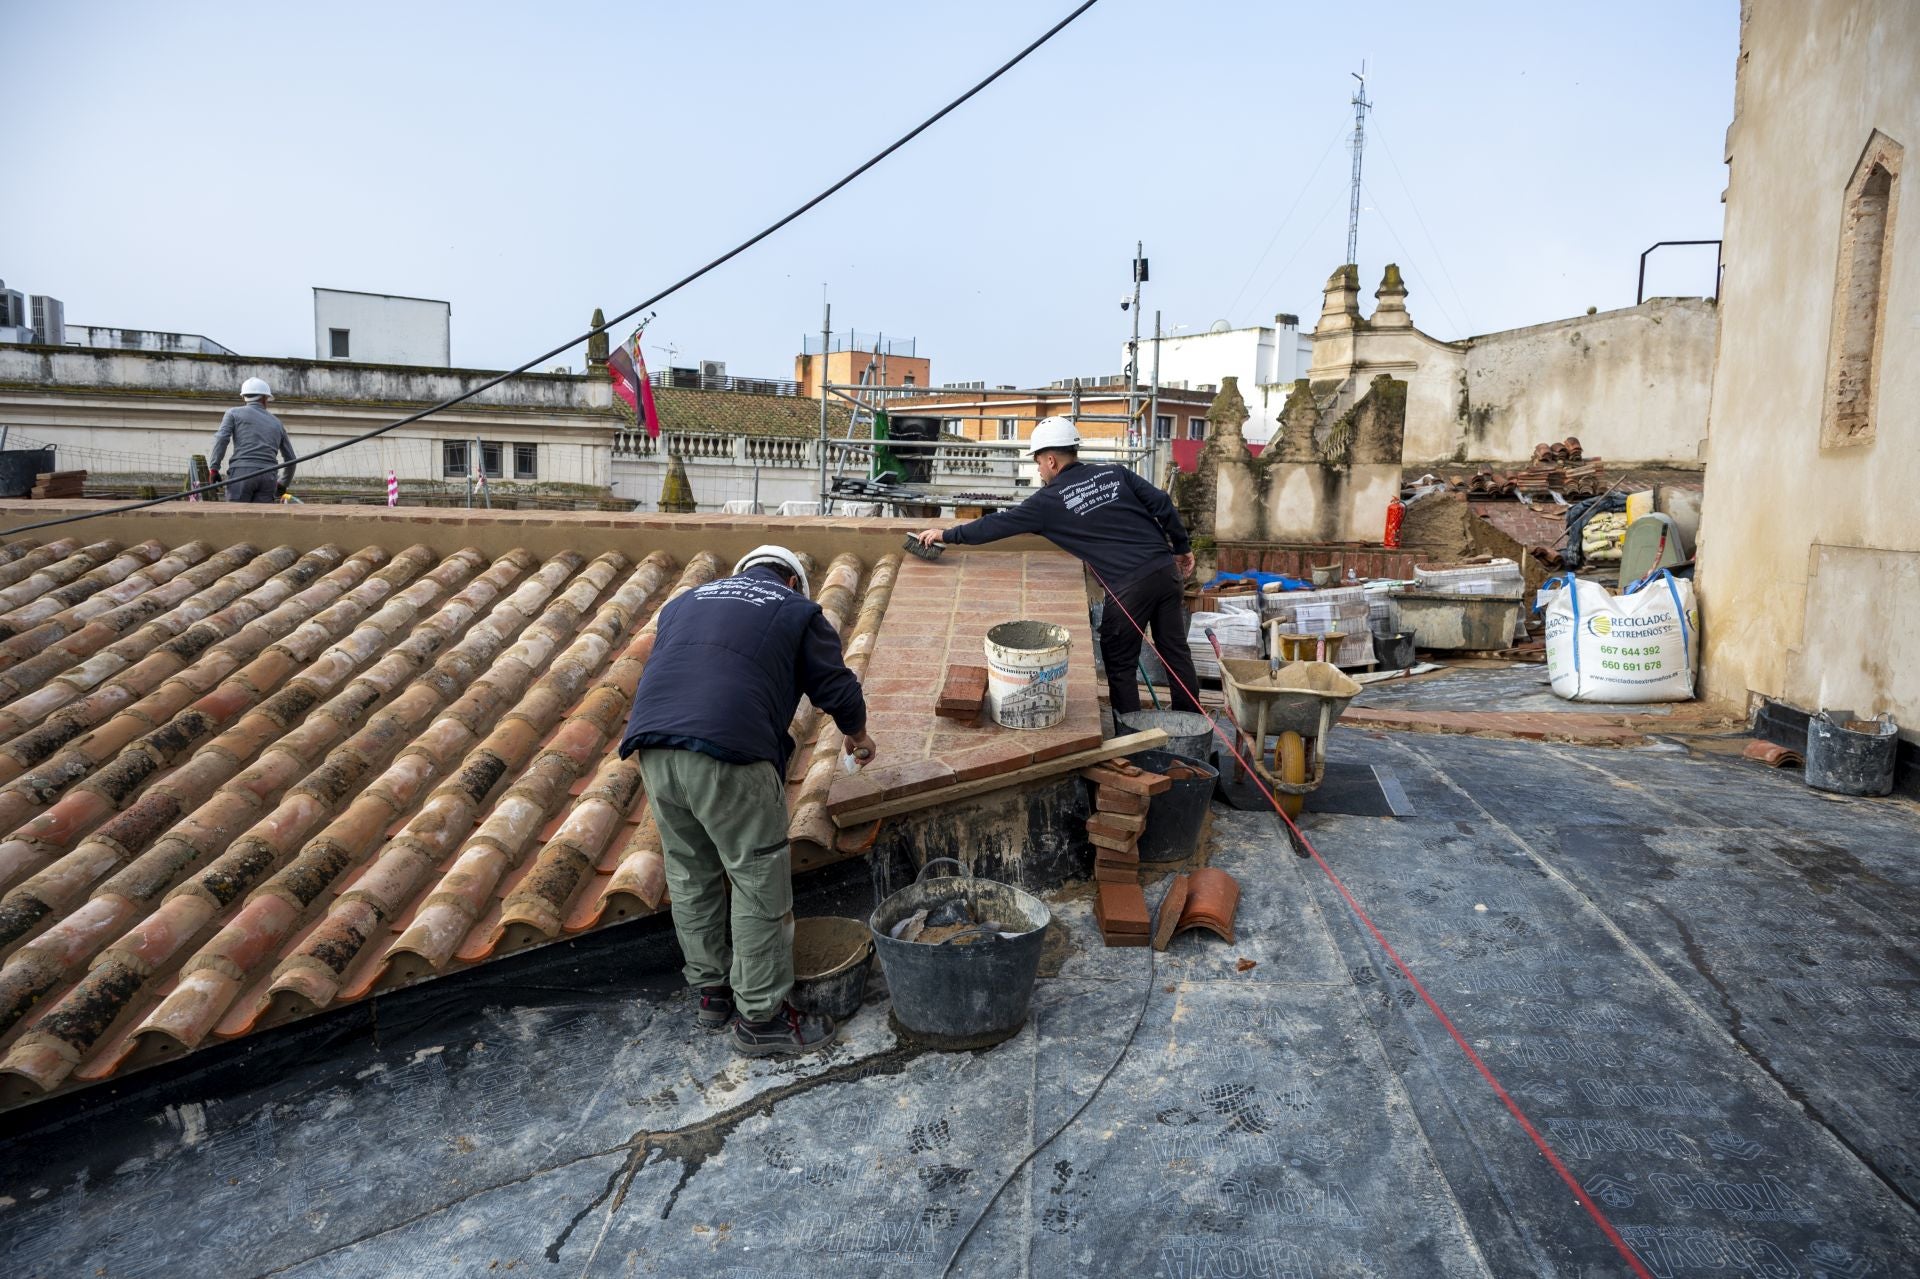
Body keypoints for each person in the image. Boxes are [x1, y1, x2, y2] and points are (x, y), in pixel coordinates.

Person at [619, 545, 877, 1057]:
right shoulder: (796, 609)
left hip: (653, 748)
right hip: (729, 750)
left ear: (742, 573)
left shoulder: (683, 603)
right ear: (792, 581)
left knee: (689, 872)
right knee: (757, 878)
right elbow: (835, 685)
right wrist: (858, 734)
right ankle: (762, 1017)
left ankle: (712, 992)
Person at [916, 417, 1202, 715]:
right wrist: (1181, 548)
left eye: (1038, 462)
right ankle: (1192, 724)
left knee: (1120, 664)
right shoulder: (1116, 473)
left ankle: (1133, 734)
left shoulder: (1047, 503)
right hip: (1165, 570)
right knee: (1175, 653)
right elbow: (1162, 503)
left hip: (1129, 588)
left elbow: (996, 524)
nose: (1039, 469)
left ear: (1051, 460)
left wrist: (947, 535)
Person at [210, 377, 297, 504]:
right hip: (268, 477)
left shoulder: (233, 413)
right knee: (262, 516)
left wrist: (214, 468)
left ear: (243, 397)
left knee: (236, 514)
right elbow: (291, 460)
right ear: (264, 398)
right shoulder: (277, 423)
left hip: (241, 475)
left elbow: (221, 439)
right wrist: (283, 483)